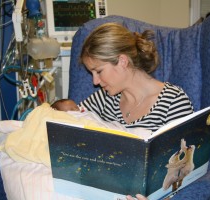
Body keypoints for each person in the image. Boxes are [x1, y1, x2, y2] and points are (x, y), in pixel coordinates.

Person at [56, 22, 194, 199]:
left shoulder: (173, 101)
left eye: (98, 71)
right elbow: (67, 125)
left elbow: (185, 170)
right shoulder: (103, 99)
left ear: (122, 61)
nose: (95, 82)